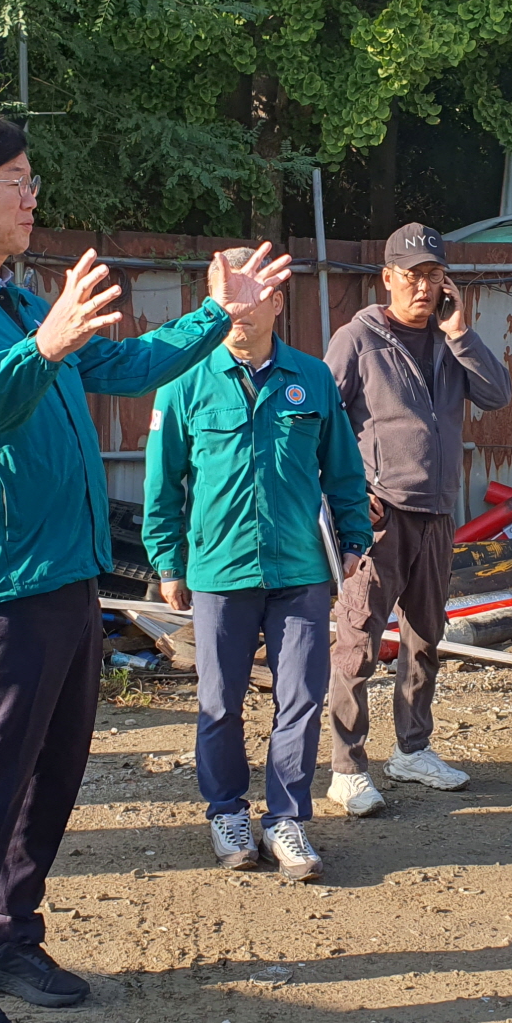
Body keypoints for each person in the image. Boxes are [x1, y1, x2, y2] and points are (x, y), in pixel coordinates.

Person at [0, 104, 290, 1023]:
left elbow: (130, 364)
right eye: (15, 181)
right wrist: (45, 348)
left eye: (30, 180)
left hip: (67, 582)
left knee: (54, 775)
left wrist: (217, 316)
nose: (32, 196)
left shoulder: (25, 303)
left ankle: (7, 935)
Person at [143, 248, 371, 880]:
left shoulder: (312, 378)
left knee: (299, 699)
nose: (240, 308)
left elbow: (343, 471)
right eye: (226, 293)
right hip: (220, 572)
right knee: (220, 701)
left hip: (300, 571)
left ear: (278, 300)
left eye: (253, 293)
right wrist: (167, 561)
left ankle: (287, 820)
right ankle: (226, 812)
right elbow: (162, 485)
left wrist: (354, 540)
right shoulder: (184, 380)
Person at [325, 222, 512, 814]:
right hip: (378, 519)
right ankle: (347, 767)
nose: (424, 288)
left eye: (434, 276)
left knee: (425, 637)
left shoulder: (451, 342)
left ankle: (412, 750)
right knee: (356, 640)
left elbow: (498, 395)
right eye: (412, 276)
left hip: (437, 513)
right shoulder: (358, 339)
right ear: (388, 278)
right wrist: (348, 494)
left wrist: (462, 333)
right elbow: (320, 424)